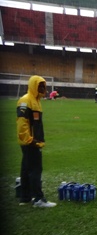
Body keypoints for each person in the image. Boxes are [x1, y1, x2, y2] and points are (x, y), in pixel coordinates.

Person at [17, 75, 57, 208]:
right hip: (31, 142)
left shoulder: (36, 101)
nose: (43, 89)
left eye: (43, 86)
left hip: (33, 140)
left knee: (26, 168)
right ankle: (38, 199)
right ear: (33, 86)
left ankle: (25, 197)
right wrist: (30, 140)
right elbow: (22, 123)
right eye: (40, 86)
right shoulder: (26, 100)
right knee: (35, 169)